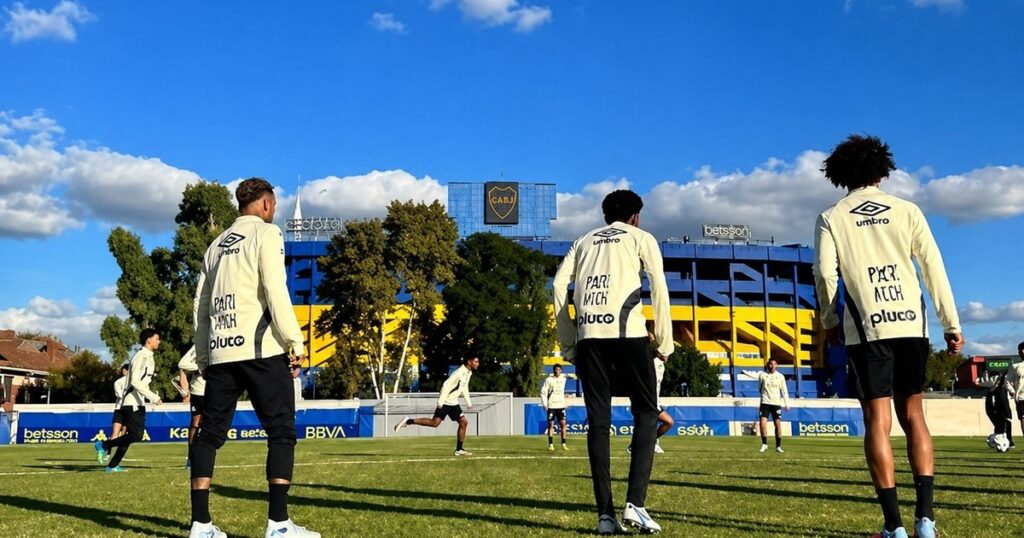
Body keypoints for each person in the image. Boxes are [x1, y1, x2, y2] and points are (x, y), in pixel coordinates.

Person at [814, 135, 963, 538]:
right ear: (883, 170)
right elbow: (933, 266)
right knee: (914, 416)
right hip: (910, 324)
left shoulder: (832, 216)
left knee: (877, 421)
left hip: (867, 329)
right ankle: (927, 521)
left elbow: (826, 274)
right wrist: (952, 323)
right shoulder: (907, 210)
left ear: (840, 175)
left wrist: (830, 320)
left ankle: (894, 525)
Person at [190, 177, 318, 538]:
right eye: (273, 205)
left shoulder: (214, 246)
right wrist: (295, 341)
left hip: (220, 351)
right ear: (265, 204)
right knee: (280, 431)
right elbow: (275, 288)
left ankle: (200, 525)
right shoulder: (266, 234)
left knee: (209, 436)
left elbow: (200, 305)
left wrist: (203, 354)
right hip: (260, 349)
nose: (273, 211)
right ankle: (278, 524)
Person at [553, 189, 674, 535]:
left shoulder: (583, 241)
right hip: (628, 334)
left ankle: (605, 516)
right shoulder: (640, 237)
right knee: (647, 412)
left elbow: (559, 287)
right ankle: (635, 504)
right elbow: (659, 285)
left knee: (599, 423)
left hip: (589, 338)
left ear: (606, 215)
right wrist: (665, 341)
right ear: (635, 216)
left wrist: (568, 341)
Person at [95, 329, 163, 472]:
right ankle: (104, 445)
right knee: (136, 435)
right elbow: (135, 381)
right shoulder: (142, 356)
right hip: (132, 402)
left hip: (137, 402)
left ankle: (112, 466)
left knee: (130, 436)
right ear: (148, 340)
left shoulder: (148, 356)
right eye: (157, 338)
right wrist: (154, 396)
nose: (159, 341)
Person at [394, 356, 479, 456]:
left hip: (454, 403)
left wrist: (468, 402)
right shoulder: (459, 372)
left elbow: (464, 387)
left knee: (463, 422)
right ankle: (408, 421)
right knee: (435, 423)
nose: (477, 363)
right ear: (469, 362)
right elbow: (446, 385)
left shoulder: (469, 373)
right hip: (446, 402)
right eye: (476, 361)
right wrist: (441, 401)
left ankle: (459, 449)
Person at [177, 346, 204, 469]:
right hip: (198, 391)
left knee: (209, 424)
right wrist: (201, 368)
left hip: (216, 389)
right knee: (195, 422)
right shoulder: (199, 343)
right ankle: (191, 457)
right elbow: (182, 363)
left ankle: (205, 457)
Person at [758, 358, 790, 454]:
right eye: (771, 364)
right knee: (762, 424)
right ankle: (764, 444)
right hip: (765, 402)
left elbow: (784, 390)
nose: (772, 366)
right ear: (768, 365)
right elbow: (760, 388)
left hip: (776, 403)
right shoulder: (762, 375)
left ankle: (778, 446)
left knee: (777, 425)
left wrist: (786, 403)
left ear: (777, 365)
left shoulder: (780, 376)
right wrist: (762, 400)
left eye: (774, 364)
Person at [541, 363, 569, 451]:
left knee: (563, 424)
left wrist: (565, 402)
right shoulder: (549, 380)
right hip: (552, 405)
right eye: (556, 370)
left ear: (561, 371)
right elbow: (543, 392)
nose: (557, 371)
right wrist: (545, 404)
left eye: (559, 370)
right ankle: (551, 444)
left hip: (561, 405)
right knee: (551, 425)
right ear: (553, 370)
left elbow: (562, 392)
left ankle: (564, 443)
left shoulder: (563, 379)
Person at [1009, 342, 1024, 449]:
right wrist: (1012, 391)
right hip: (1021, 398)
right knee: (1023, 419)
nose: (1021, 352)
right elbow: (1007, 381)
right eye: (1019, 350)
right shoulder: (1015, 366)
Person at [110, 363, 130, 442]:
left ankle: (110, 453)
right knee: (120, 433)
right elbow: (120, 394)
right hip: (123, 409)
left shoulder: (118, 382)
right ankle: (111, 451)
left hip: (122, 409)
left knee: (116, 433)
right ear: (124, 370)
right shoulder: (119, 382)